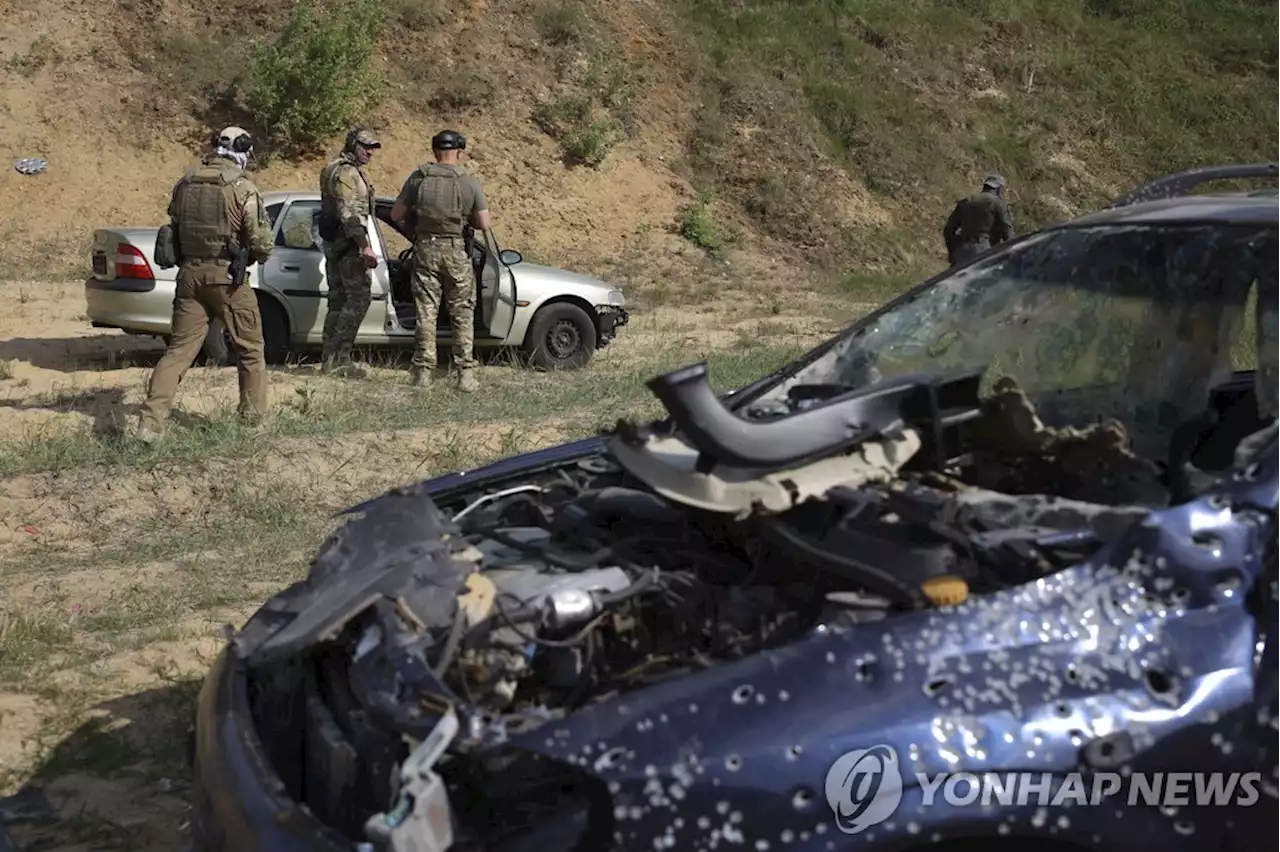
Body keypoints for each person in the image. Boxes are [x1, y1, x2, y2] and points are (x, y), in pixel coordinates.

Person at [134, 126, 274, 443]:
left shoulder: (184, 183)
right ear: (242, 151)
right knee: (251, 350)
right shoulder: (242, 188)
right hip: (227, 279)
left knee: (178, 352)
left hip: (189, 277)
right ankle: (252, 425)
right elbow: (262, 244)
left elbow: (175, 224)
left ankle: (150, 424)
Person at [390, 129, 492, 391]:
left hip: (425, 250)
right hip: (456, 252)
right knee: (461, 312)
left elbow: (396, 213)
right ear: (459, 151)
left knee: (426, 311)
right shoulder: (468, 182)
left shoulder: (419, 178)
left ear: (435, 151)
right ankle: (465, 375)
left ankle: (423, 373)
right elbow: (483, 223)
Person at [318, 126, 382, 377]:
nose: (369, 152)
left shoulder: (333, 167)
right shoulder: (345, 172)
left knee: (338, 301)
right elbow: (347, 213)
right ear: (352, 144)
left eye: (372, 148)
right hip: (347, 245)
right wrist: (364, 245)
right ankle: (340, 358)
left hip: (336, 244)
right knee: (358, 300)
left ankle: (329, 360)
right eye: (365, 146)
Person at [942, 173, 1015, 266]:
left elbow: (948, 230)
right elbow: (1008, 233)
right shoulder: (998, 203)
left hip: (961, 250)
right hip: (983, 250)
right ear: (999, 189)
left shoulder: (966, 201)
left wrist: (953, 251)